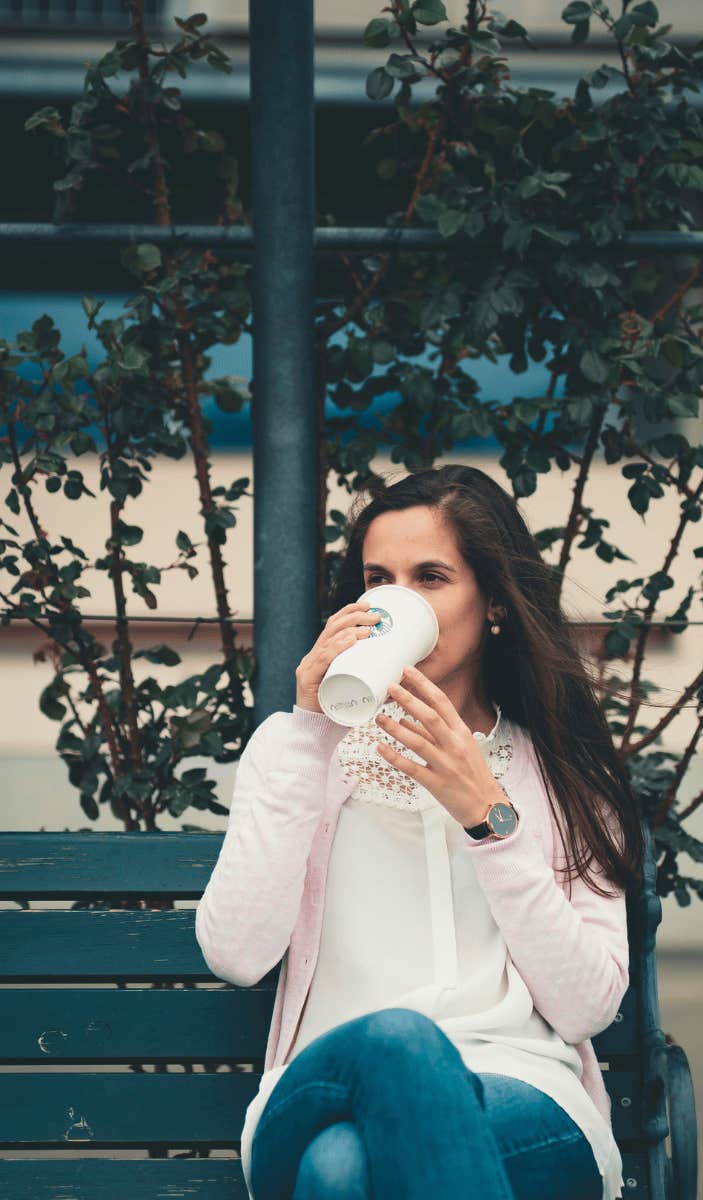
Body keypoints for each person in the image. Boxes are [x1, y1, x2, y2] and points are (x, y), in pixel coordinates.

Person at [196, 464, 646, 1200]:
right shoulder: (299, 752)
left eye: (430, 578)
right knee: (398, 1040)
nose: (396, 603)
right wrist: (311, 732)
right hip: (324, 1080)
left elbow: (587, 1005)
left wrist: (490, 820)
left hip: (520, 1092)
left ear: (495, 602)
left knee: (341, 1172)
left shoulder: (564, 774)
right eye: (379, 579)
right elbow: (236, 953)